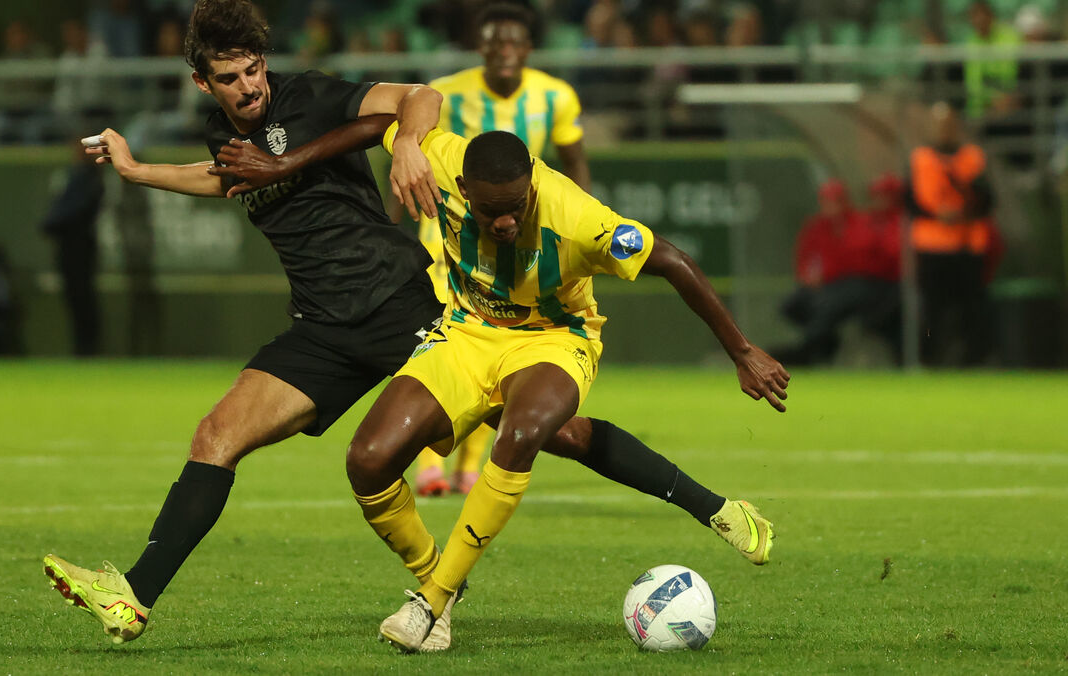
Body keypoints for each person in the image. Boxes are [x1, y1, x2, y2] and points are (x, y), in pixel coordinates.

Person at [41, 0, 780, 651]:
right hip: (322, 327)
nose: (248, 86)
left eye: (254, 69)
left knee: (557, 433)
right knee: (216, 438)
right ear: (204, 83)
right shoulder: (223, 131)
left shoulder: (309, 97)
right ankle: (136, 596)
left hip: (403, 304)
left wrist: (400, 143)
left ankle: (712, 508)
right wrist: (138, 171)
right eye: (230, 78)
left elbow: (417, 99)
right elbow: (228, 177)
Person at [356, 124, 788, 653]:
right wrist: (395, 142)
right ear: (464, 188)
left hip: (555, 338)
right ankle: (439, 579)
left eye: (517, 206)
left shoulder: (578, 218)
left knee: (522, 434)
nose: (506, 221)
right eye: (491, 210)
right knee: (368, 460)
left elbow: (673, 261)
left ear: (531, 186)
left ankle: (431, 604)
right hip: (466, 334)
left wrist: (741, 351)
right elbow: (379, 113)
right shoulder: (441, 160)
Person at [414, 2, 593, 497]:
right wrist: (396, 221)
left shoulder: (555, 96)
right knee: (445, 341)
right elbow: (413, 153)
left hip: (517, 239)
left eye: (514, 42)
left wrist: (579, 226)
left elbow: (575, 165)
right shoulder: (446, 93)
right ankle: (430, 461)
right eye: (495, 42)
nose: (504, 51)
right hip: (447, 236)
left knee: (499, 342)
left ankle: (470, 466)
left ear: (529, 48)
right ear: (481, 47)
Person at [906, 102, 1001, 366]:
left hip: (967, 245)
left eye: (948, 124)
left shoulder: (972, 157)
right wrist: (938, 214)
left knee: (972, 308)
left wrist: (965, 209)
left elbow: (988, 200)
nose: (944, 130)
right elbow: (909, 203)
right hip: (931, 246)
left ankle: (975, 361)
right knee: (931, 309)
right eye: (939, 125)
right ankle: (928, 362)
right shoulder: (920, 158)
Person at [776, 179, 901, 366]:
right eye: (827, 201)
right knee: (792, 305)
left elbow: (872, 260)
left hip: (860, 284)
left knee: (830, 304)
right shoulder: (816, 227)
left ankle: (806, 351)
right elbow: (804, 258)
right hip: (828, 284)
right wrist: (808, 276)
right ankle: (826, 342)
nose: (831, 207)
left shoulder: (863, 224)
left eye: (835, 201)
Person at [41, 139, 105, 356]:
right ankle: (84, 347)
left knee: (82, 298)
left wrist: (51, 224)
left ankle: (87, 348)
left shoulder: (88, 178)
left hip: (79, 245)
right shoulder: (76, 176)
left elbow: (73, 210)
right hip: (71, 244)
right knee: (76, 299)